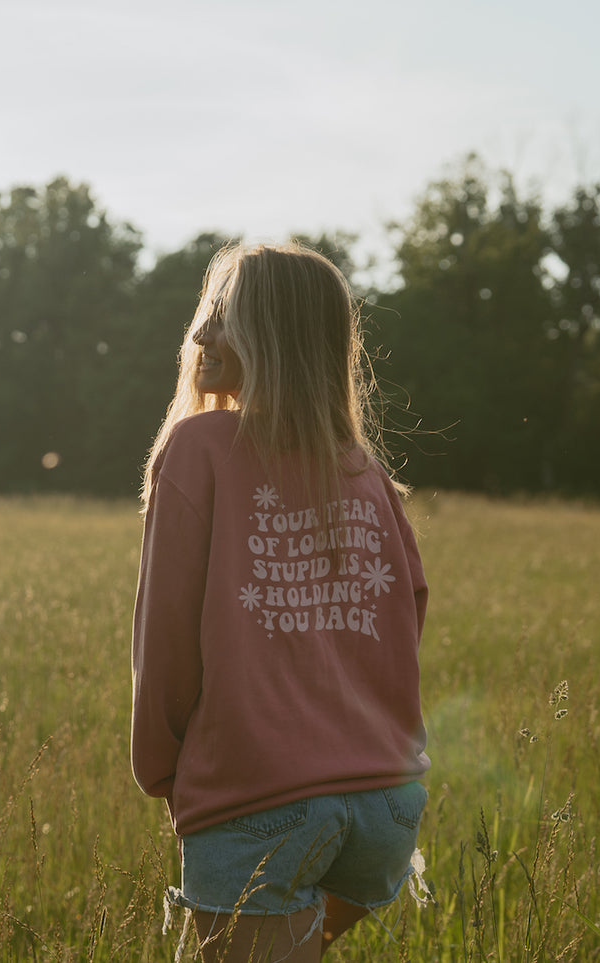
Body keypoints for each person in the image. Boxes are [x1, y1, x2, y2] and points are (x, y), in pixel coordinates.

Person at [131, 242, 430, 961]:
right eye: (205, 317)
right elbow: (406, 615)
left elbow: (164, 633)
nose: (201, 336)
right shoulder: (366, 473)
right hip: (386, 801)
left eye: (223, 319)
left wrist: (163, 771)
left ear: (271, 337)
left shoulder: (201, 445)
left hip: (257, 796)